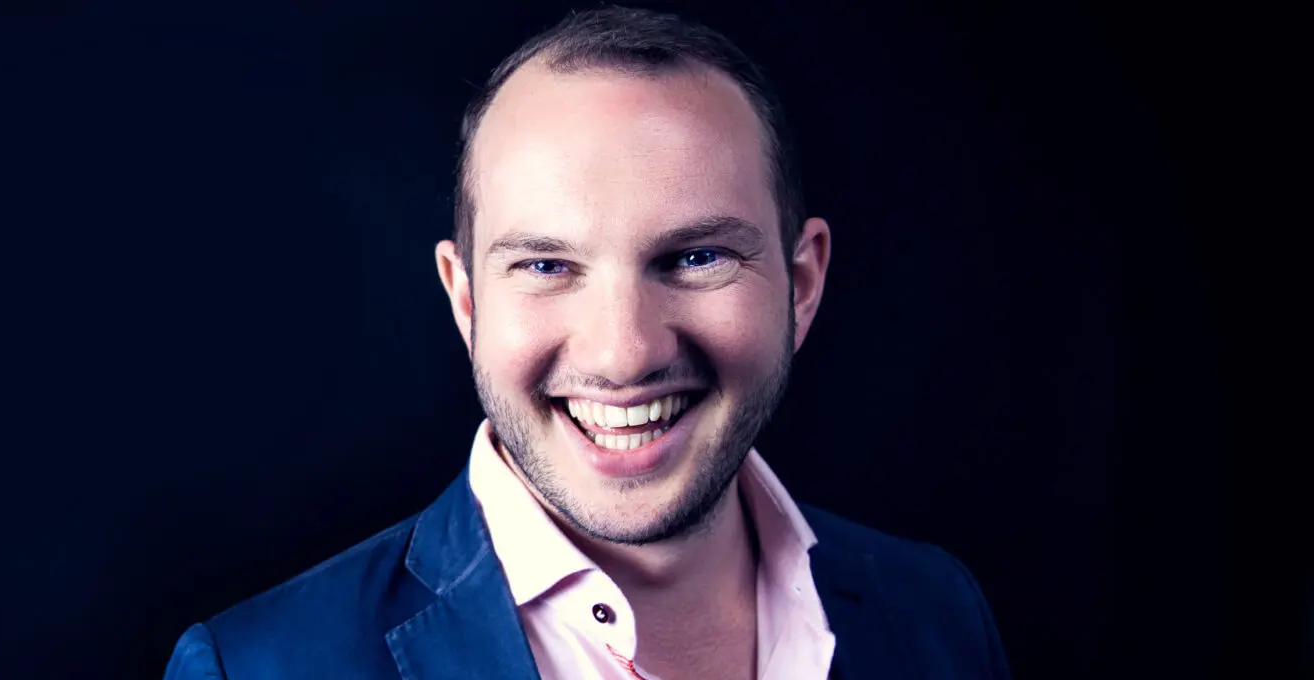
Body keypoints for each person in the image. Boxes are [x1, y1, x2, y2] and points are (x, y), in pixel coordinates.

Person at [165, 6, 1009, 679]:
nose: (623, 353)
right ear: (466, 299)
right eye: (546, 266)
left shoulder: (936, 611)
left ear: (801, 284)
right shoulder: (256, 668)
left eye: (696, 258)